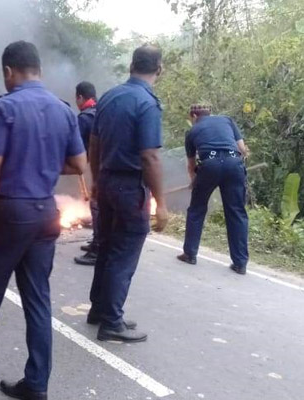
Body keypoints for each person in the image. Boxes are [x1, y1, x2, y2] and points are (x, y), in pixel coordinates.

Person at [0, 41, 87, 399]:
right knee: (38, 300)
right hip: (46, 216)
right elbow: (80, 165)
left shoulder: (5, 108)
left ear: (8, 72)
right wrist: (46, 164)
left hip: (7, 216)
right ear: (40, 70)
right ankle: (37, 384)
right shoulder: (64, 111)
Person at [87, 44, 169, 343]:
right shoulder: (146, 104)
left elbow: (94, 145)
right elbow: (150, 157)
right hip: (129, 188)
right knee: (124, 253)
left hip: (107, 182)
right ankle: (111, 322)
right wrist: (161, 204)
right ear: (159, 68)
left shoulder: (109, 97)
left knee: (107, 247)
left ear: (131, 65)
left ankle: (98, 309)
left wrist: (96, 181)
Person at [177, 104, 250, 274]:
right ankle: (240, 264)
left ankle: (190, 254)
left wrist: (194, 181)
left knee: (197, 209)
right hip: (234, 164)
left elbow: (191, 165)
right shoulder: (227, 120)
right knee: (236, 212)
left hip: (209, 166)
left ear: (194, 116)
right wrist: (238, 160)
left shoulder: (192, 132)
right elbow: (242, 149)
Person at [72, 81, 100, 266]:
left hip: (100, 166)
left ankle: (97, 249)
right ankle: (97, 241)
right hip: (110, 164)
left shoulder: (85, 118)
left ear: (80, 97)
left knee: (96, 204)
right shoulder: (101, 112)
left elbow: (80, 149)